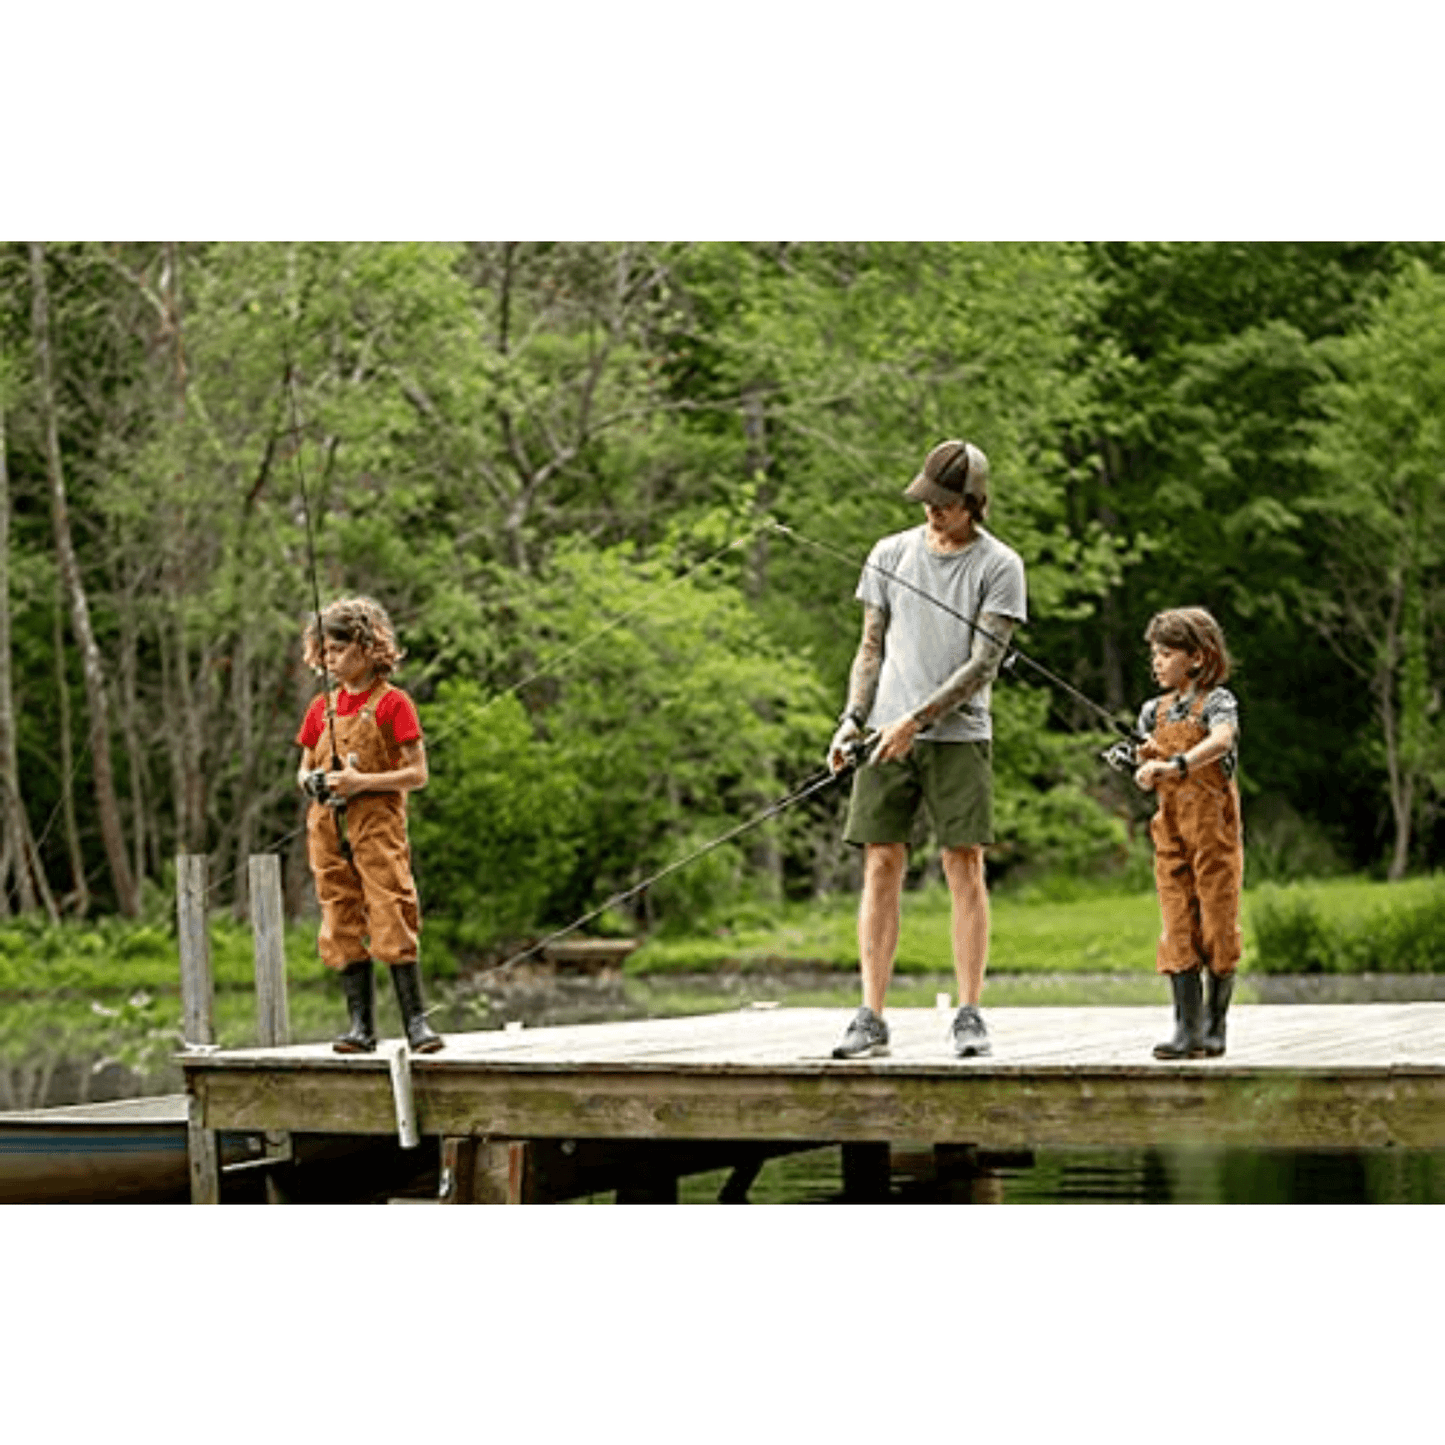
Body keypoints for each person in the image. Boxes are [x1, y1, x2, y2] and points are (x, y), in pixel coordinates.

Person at [827, 439, 1027, 1059]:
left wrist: (918, 717)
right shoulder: (889, 553)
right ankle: (870, 1017)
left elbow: (983, 665)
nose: (931, 512)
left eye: (944, 504)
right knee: (881, 863)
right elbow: (870, 647)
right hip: (885, 732)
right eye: (926, 501)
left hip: (959, 736)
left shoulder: (1000, 566)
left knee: (962, 864)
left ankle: (969, 1014)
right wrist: (852, 720)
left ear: (973, 504)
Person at [296, 596, 443, 1055]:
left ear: (366, 647)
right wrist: (313, 782)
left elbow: (417, 775)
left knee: (391, 908)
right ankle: (360, 1028)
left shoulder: (393, 704)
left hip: (377, 824)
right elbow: (301, 769)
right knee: (339, 915)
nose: (328, 661)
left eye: (336, 651)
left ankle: (416, 1024)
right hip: (326, 826)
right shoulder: (320, 708)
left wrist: (362, 782)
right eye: (323, 653)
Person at [1132, 607, 1242, 1059]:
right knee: (1177, 923)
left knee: (1216, 925)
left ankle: (1215, 1028)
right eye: (1154, 654)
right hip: (1170, 833)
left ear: (1196, 658)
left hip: (1214, 832)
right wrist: (1140, 767)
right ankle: (1186, 1030)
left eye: (1166, 653)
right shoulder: (1149, 712)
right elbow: (1146, 764)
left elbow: (1221, 740)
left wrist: (1175, 763)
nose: (1156, 662)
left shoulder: (1218, 702)